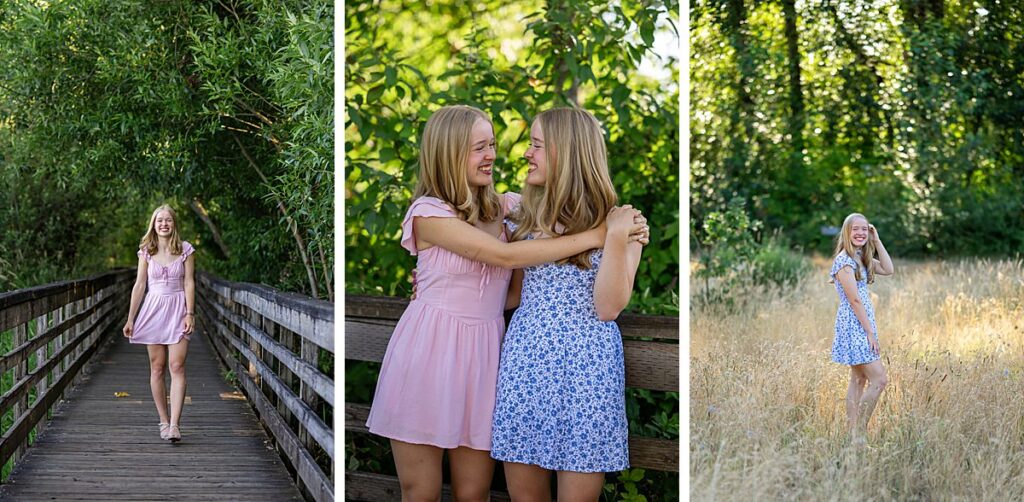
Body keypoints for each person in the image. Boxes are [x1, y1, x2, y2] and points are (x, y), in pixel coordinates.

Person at [365, 105, 647, 502]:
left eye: (493, 144)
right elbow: (507, 260)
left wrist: (623, 227)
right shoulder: (430, 214)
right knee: (421, 491)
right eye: (481, 147)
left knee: (474, 491)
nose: (495, 155)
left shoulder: (510, 210)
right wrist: (601, 235)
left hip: (491, 358)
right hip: (439, 352)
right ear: (450, 155)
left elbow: (514, 289)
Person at [490, 107, 645, 501]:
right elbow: (513, 293)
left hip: (588, 374)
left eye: (537, 145)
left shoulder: (623, 223)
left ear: (568, 152)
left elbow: (608, 308)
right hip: (526, 366)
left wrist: (612, 236)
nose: (527, 153)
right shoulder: (523, 218)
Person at [123, 204, 195, 442]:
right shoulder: (146, 251)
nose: (164, 224)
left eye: (168, 220)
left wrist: (190, 313)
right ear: (153, 225)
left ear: (174, 224)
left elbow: (189, 283)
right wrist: (131, 317)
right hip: (153, 310)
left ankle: (175, 425)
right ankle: (163, 421)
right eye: (159, 220)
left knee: (177, 366)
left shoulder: (185, 249)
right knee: (157, 367)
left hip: (178, 310)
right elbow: (140, 285)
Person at [828, 212, 894, 438]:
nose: (860, 233)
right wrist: (869, 333)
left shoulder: (860, 258)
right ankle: (859, 431)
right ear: (847, 232)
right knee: (879, 379)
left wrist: (876, 241)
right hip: (855, 325)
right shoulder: (844, 261)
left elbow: (888, 268)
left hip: (862, 323)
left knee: (858, 379)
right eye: (855, 229)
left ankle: (851, 435)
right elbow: (854, 300)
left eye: (864, 229)